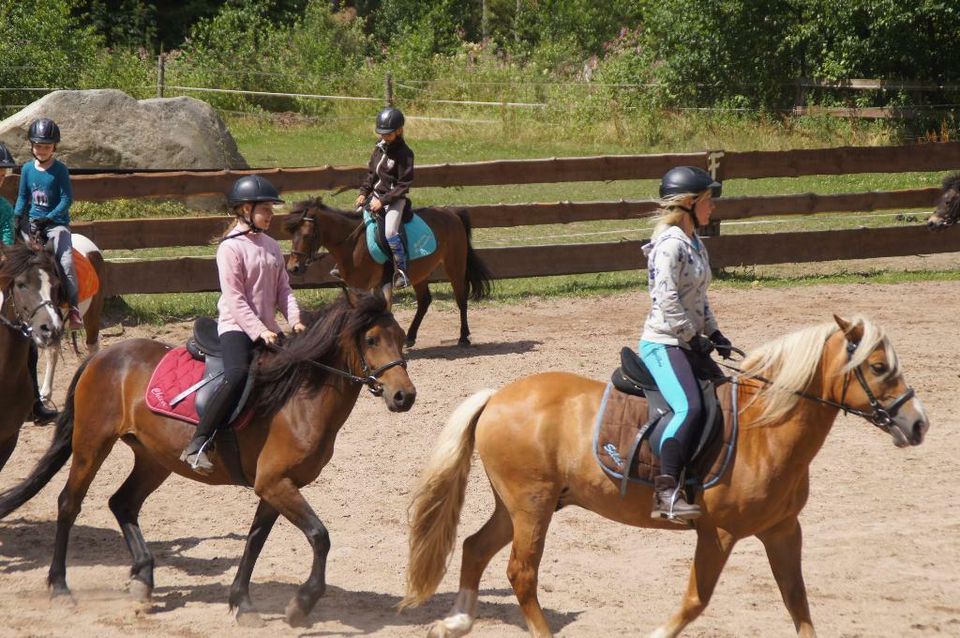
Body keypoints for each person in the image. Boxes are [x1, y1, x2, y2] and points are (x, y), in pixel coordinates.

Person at [180, 175, 306, 474]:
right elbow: (234, 298)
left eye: (271, 209)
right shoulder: (229, 248)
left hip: (268, 329)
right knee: (236, 375)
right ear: (245, 210)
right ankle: (198, 442)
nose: (271, 215)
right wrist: (259, 331)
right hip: (236, 328)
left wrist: (296, 320)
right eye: (266, 209)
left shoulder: (272, 246)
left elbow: (283, 290)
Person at [638, 166, 733, 523]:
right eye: (708, 201)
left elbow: (699, 299)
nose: (713, 208)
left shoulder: (695, 244)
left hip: (690, 342)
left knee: (725, 397)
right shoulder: (668, 246)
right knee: (689, 408)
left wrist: (715, 333)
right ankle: (666, 494)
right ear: (690, 204)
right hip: (663, 343)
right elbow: (666, 298)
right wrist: (693, 338)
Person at [0, 141, 58, 424]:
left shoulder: (4, 207)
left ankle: (34, 400)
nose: (1, 175)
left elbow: (8, 242)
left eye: (3, 171)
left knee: (26, 336)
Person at [14, 118, 82, 331]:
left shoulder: (60, 170)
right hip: (33, 224)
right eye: (38, 146)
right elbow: (23, 196)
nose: (42, 150)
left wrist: (50, 217)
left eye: (47, 146)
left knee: (67, 263)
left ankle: (74, 308)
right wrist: (16, 217)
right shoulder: (26, 169)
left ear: (54, 147)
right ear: (31, 146)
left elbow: (66, 199)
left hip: (56, 225)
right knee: (17, 262)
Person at [355, 106, 415, 289]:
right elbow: (372, 173)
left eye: (388, 134)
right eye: (382, 133)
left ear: (399, 131)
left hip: (394, 200)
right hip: (375, 196)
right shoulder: (379, 147)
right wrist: (363, 192)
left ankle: (401, 271)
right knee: (355, 219)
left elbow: (403, 184)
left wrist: (383, 201)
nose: (384, 137)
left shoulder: (405, 154)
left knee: (390, 232)